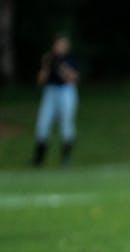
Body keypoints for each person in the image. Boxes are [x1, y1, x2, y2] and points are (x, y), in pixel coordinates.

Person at [33, 35, 79, 167]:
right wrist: (47, 65)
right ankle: (39, 159)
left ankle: (66, 157)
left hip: (66, 91)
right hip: (50, 91)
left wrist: (61, 66)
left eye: (62, 45)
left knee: (66, 122)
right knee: (43, 123)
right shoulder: (49, 59)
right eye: (58, 44)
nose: (59, 47)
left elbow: (74, 78)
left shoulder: (70, 60)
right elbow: (40, 80)